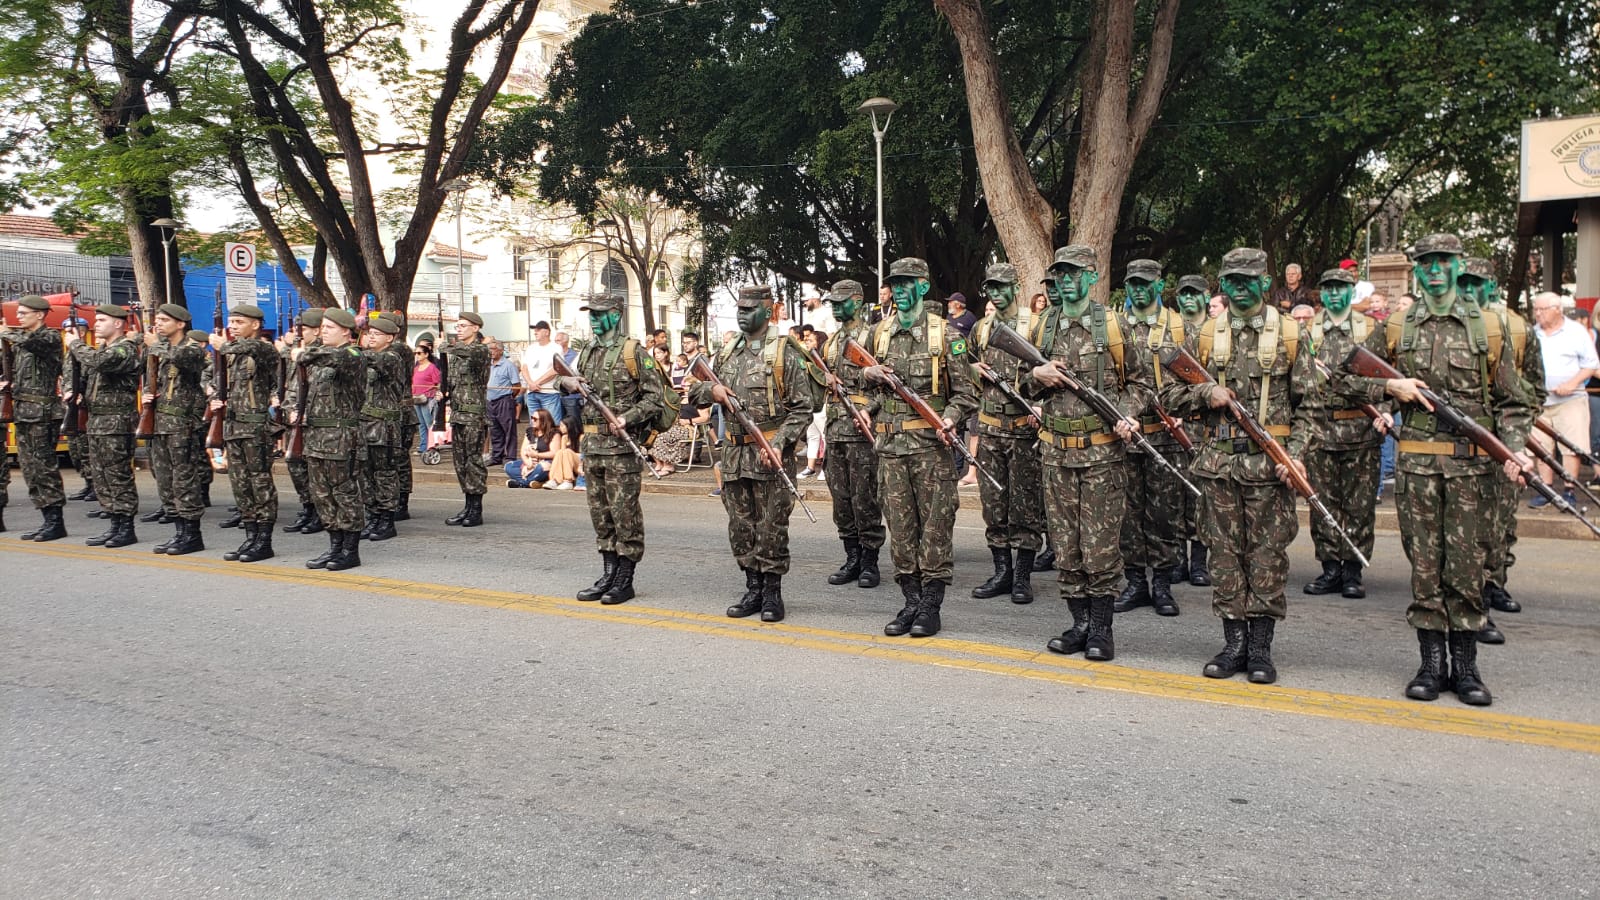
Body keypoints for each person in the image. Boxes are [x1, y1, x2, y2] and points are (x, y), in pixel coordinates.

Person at [1344, 234, 1536, 707]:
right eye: (1426, 262)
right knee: (1425, 569)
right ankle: (1431, 665)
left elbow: (1514, 403)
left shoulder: (1489, 327)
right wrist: (1391, 388)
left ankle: (1465, 668)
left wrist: (1514, 450)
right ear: (1417, 268)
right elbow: (1344, 379)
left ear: (1457, 266)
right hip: (1418, 471)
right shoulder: (1398, 325)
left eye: (1443, 262)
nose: (1434, 270)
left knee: (1467, 569)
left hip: (1473, 474)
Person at [1159, 247, 1317, 685]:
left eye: (1249, 279)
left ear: (1265, 282)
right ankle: (1234, 645)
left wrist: (1296, 455)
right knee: (1225, 558)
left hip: (1268, 469)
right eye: (1232, 280)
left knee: (1267, 559)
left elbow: (1310, 406)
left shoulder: (1289, 333)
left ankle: (1260, 648)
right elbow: (1168, 396)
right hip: (1219, 467)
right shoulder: (1206, 335)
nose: (1240, 287)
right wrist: (1204, 394)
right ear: (1223, 284)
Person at [1026, 246, 1148, 661]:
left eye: (1074, 273)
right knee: (1066, 546)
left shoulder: (1113, 325)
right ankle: (1078, 624)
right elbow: (1021, 384)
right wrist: (1037, 374)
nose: (1065, 281)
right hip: (1056, 454)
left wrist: (1127, 414)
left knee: (1100, 547)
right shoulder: (1044, 325)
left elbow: (1141, 384)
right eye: (1060, 274)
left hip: (1101, 456)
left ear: (1092, 277)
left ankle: (1100, 629)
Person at [861, 258, 979, 638]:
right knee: (900, 529)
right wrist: (868, 378)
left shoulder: (946, 336)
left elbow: (967, 393)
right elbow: (864, 386)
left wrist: (951, 418)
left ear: (923, 286)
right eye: (894, 283)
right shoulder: (878, 334)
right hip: (891, 450)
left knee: (936, 528)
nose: (898, 289)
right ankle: (910, 601)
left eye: (907, 282)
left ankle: (930, 606)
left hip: (930, 450)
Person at [689, 285, 818, 623]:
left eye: (749, 309)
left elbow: (803, 409)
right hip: (734, 454)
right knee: (740, 526)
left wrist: (779, 443)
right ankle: (753, 588)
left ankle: (772, 592)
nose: (742, 314)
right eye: (740, 308)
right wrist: (712, 389)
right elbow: (695, 392)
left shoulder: (784, 353)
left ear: (768, 310)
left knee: (772, 527)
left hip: (769, 454)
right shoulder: (727, 352)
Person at [1459, 259, 1541, 644]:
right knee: (1469, 531)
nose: (1468, 290)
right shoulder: (1450, 325)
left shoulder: (1516, 328)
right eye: (1463, 283)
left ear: (1491, 286)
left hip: (1503, 442)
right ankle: (1471, 601)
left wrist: (1516, 435)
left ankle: (1494, 585)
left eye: (1476, 284)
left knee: (1500, 522)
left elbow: (1533, 388)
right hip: (1464, 445)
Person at [566, 292, 665, 604]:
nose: (594, 319)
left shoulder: (634, 352)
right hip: (593, 446)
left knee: (625, 514)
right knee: (601, 514)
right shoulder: (588, 351)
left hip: (621, 450)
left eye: (599, 314)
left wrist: (626, 418)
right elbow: (565, 380)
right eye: (591, 314)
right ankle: (608, 572)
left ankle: (625, 578)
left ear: (616, 314)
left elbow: (656, 398)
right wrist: (567, 383)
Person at [1300, 268, 1384, 599]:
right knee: (1322, 503)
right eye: (1329, 288)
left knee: (1360, 505)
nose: (1335, 294)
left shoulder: (1370, 329)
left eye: (1341, 288)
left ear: (1352, 292)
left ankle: (1353, 569)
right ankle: (1330, 568)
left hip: (1360, 430)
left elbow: (1386, 378)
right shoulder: (1308, 331)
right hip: (1321, 431)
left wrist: (1385, 410)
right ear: (1322, 293)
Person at [968, 263, 1046, 605]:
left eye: (1002, 287)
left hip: (1024, 431)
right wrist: (974, 368)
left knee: (1026, 506)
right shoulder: (981, 327)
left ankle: (1023, 577)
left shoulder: (1035, 324)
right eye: (991, 288)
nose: (996, 293)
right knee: (994, 505)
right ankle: (1002, 572)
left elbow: (1052, 370)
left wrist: (1040, 406)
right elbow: (962, 365)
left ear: (1016, 288)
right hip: (990, 430)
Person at [1113, 259, 1187, 618]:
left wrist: (1186, 411)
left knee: (1164, 514)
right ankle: (1135, 582)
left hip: (1165, 436)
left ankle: (1162, 584)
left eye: (1146, 283)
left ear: (1159, 284)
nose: (1139, 290)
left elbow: (1198, 377)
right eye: (1133, 284)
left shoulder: (1178, 325)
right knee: (1128, 514)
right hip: (1126, 436)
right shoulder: (1115, 325)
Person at [817, 279, 885, 589]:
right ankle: (852, 557)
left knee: (865, 498)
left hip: (862, 432)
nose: (835, 307)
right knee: (841, 500)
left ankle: (870, 561)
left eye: (841, 301)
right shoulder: (830, 342)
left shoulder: (873, 337)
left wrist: (869, 409)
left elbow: (889, 386)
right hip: (835, 431)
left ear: (857, 301)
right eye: (832, 302)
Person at [292, 308, 368, 571]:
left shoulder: (352, 355)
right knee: (322, 495)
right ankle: (335, 546)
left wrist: (302, 354)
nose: (323, 331)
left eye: (329, 327)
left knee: (345, 493)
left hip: (341, 438)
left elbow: (332, 357)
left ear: (346, 331)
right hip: (316, 437)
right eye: (322, 327)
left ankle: (350, 550)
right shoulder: (320, 358)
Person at [210, 303, 282, 561]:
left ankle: (264, 540)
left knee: (260, 482)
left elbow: (256, 349)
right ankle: (250, 536)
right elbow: (217, 382)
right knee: (240, 484)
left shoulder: (262, 349)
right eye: (231, 322)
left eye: (239, 322)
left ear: (255, 324)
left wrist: (223, 346)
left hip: (255, 428)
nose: (233, 327)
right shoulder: (232, 355)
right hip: (233, 427)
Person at [65, 305, 141, 548]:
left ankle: (126, 528)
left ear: (118, 323)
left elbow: (100, 362)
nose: (96, 324)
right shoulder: (101, 349)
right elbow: (85, 375)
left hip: (116, 422)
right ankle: (114, 525)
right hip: (96, 422)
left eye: (101, 320)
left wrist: (75, 344)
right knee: (101, 477)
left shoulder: (125, 349)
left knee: (118, 476)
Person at [140, 304, 208, 553]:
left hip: (182, 425)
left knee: (184, 480)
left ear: (180, 324)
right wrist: (147, 394)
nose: (158, 323)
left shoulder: (192, 349)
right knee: (165, 480)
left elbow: (183, 359)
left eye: (164, 320)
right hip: (160, 423)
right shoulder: (158, 349)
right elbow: (150, 378)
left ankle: (192, 534)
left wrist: (154, 346)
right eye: (157, 319)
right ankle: (179, 531)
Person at [1, 295, 67, 541]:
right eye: (18, 313)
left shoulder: (49, 337)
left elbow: (33, 344)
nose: (18, 317)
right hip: (23, 413)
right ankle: (45, 517)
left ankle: (56, 521)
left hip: (42, 413)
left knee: (44, 467)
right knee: (30, 469)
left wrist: (7, 333)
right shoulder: (20, 340)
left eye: (23, 313)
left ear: (39, 314)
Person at [1528, 291, 1597, 506]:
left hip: (1570, 399)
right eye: (1536, 309)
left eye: (1542, 309)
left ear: (1557, 309)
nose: (1538, 314)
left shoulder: (1576, 331)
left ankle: (1569, 490)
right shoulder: (1533, 333)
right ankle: (1546, 490)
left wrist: (1572, 383)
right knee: (1541, 446)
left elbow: (1591, 364)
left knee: (1571, 447)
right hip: (1540, 400)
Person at [1171, 274, 1212, 586]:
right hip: (1175, 425)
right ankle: (1177, 561)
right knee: (1174, 495)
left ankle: (1199, 562)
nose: (1188, 299)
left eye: (1194, 293)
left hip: (1207, 428)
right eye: (1184, 294)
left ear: (1206, 296)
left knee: (1201, 496)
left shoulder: (1216, 332)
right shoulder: (1170, 332)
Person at [358, 316, 410, 542]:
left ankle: (387, 521)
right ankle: (373, 517)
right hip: (365, 424)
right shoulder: (367, 357)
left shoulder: (391, 357)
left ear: (389, 338)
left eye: (376, 334)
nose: (371, 337)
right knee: (366, 474)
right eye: (369, 333)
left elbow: (364, 358)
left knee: (385, 474)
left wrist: (349, 351)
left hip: (384, 427)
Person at [443, 311, 492, 527]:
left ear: (476, 328)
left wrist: (445, 346)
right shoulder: (457, 353)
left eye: (463, 325)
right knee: (460, 463)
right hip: (458, 414)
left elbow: (468, 353)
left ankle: (476, 509)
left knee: (473, 461)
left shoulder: (480, 350)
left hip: (473, 415)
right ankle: (467, 505)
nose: (459, 329)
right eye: (458, 326)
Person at [280, 309, 326, 536]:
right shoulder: (298, 352)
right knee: (296, 466)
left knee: (314, 470)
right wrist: (290, 409)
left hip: (313, 422)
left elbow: (320, 390)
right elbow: (291, 386)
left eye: (303, 329)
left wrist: (305, 412)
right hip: (295, 421)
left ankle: (319, 512)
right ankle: (307, 507)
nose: (298, 334)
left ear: (317, 331)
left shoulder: (318, 354)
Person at [378, 311, 416, 522]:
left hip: (402, 410)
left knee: (400, 458)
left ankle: (402, 501)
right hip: (393, 409)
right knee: (391, 459)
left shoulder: (399, 349)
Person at [485, 337, 521, 466]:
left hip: (504, 400)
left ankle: (510, 456)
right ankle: (497, 456)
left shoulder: (508, 365)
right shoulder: (488, 365)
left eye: (493, 349)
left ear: (500, 351)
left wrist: (509, 397)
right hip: (490, 401)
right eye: (489, 349)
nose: (491, 352)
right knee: (494, 430)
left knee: (509, 430)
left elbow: (517, 385)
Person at [520, 321, 563, 427]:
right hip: (532, 393)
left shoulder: (556, 348)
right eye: (535, 330)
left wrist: (536, 383)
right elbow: (524, 368)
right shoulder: (531, 348)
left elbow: (556, 369)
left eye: (538, 330)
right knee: (535, 426)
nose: (535, 332)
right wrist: (531, 383)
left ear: (547, 332)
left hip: (549, 393)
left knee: (552, 425)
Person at [506, 411, 556, 488]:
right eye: (531, 418)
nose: (532, 420)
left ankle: (521, 483)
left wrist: (537, 455)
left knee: (542, 467)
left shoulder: (553, 433)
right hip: (530, 461)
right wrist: (528, 463)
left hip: (545, 461)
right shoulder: (530, 431)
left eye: (535, 419)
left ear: (543, 420)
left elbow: (554, 453)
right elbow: (523, 451)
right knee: (509, 466)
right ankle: (533, 481)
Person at [411, 334, 442, 457]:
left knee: (429, 423)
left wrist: (436, 394)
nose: (417, 355)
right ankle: (424, 446)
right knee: (421, 424)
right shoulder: (416, 367)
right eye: (416, 353)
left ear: (426, 354)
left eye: (419, 353)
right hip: (416, 398)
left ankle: (432, 446)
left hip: (428, 398)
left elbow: (438, 383)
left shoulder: (432, 367)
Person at [545, 417, 585, 490]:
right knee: (560, 452)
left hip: (580, 464)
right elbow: (562, 455)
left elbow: (583, 455)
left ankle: (568, 480)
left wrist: (570, 453)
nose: (560, 428)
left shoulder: (581, 437)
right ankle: (555, 480)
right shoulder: (564, 437)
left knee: (567, 452)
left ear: (569, 426)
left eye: (562, 426)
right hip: (568, 464)